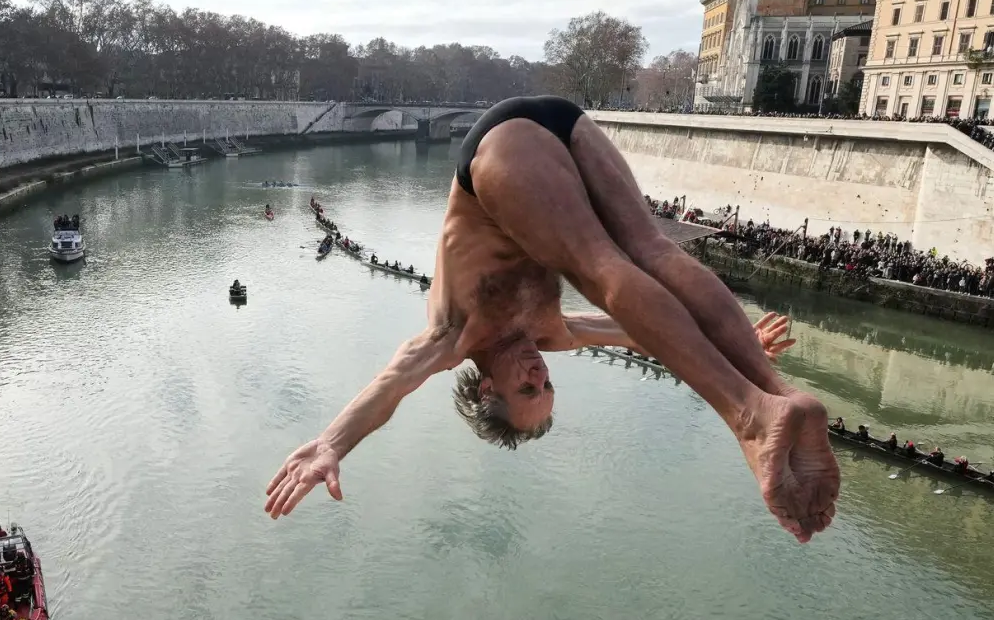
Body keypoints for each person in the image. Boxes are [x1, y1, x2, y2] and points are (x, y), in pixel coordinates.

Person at [264, 95, 836, 543]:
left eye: (526, 386)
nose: (539, 372)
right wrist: (743, 345)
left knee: (602, 267)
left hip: (498, 149)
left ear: (488, 387)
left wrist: (331, 444)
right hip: (567, 124)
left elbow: (390, 388)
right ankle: (775, 394)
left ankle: (750, 416)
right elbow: (646, 337)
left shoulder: (452, 336)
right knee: (653, 251)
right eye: (546, 384)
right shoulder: (553, 334)